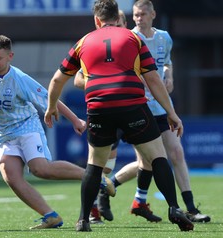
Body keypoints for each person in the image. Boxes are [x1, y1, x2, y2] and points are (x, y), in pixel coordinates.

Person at [45, 0, 193, 232]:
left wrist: (51, 106)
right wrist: (171, 112)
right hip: (132, 104)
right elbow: (153, 78)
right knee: (157, 156)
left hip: (99, 107)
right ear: (119, 17)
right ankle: (174, 207)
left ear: (97, 20)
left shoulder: (83, 41)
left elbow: (57, 80)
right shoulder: (133, 39)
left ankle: (83, 219)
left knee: (95, 164)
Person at [0, 34, 115, 230]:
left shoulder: (20, 79)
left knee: (40, 169)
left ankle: (94, 177)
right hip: (4, 133)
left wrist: (74, 120)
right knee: (10, 176)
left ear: (10, 56)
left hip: (27, 126)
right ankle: (51, 216)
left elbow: (51, 98)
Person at [96, 0, 211, 224]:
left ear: (153, 15)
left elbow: (166, 62)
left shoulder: (163, 38)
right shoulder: (129, 39)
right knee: (148, 161)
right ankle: (111, 190)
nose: (139, 18)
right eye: (136, 15)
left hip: (161, 104)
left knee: (174, 154)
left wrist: (169, 74)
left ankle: (189, 208)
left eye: (143, 14)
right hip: (137, 106)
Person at [73, 9, 127, 224]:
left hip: (134, 108)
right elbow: (76, 78)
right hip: (105, 109)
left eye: (121, 23)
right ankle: (93, 209)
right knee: (99, 165)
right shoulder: (94, 45)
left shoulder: (133, 43)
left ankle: (134, 200)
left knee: (151, 159)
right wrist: (101, 83)